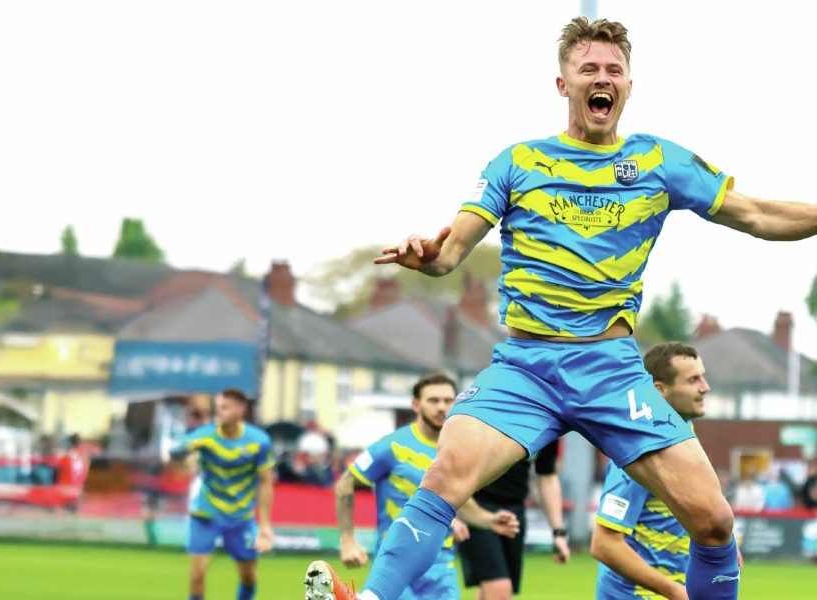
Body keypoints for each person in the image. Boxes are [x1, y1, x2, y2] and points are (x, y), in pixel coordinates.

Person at [304, 16, 817, 600]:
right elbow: (451, 254)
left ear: (628, 85)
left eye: (614, 70)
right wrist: (429, 256)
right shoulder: (518, 162)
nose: (603, 78)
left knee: (715, 521)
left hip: (612, 370)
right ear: (563, 83)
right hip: (525, 368)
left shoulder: (659, 161)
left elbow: (755, 213)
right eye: (589, 69)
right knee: (443, 477)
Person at [320, 373, 520, 600]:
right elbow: (345, 484)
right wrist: (347, 539)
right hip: (398, 561)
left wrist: (489, 520)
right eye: (433, 400)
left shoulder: (458, 450)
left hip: (442, 567)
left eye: (447, 400)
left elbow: (457, 499)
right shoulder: (392, 445)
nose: (441, 407)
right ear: (416, 405)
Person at [591, 342, 712, 600]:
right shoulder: (641, 450)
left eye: (703, 377)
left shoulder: (682, 434)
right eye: (693, 380)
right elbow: (604, 544)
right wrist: (673, 591)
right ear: (660, 390)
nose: (705, 387)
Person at [172, 389, 275, 600]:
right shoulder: (205, 436)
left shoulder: (259, 441)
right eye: (217, 407)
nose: (219, 412)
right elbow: (179, 451)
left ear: (240, 409)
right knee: (197, 575)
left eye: (225, 407)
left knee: (249, 578)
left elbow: (265, 483)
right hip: (206, 513)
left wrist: (264, 525)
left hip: (241, 517)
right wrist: (181, 455)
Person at [457, 440, 569, 599]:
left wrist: (558, 533)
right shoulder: (490, 416)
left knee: (492, 590)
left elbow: (547, 476)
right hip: (476, 508)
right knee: (499, 589)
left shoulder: (548, 424)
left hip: (515, 511)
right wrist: (458, 510)